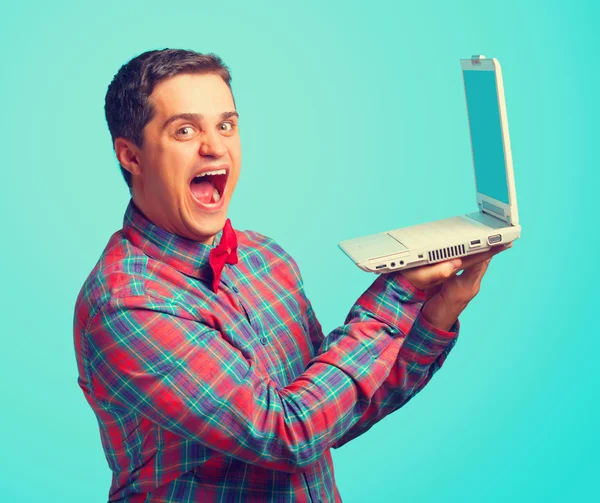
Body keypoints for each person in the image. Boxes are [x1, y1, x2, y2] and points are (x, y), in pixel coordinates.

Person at [73, 48, 510, 503]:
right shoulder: (126, 302)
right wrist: (398, 293)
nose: (216, 146)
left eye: (226, 125)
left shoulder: (264, 258)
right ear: (132, 156)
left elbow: (332, 416)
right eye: (185, 130)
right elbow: (287, 433)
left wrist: (436, 313)